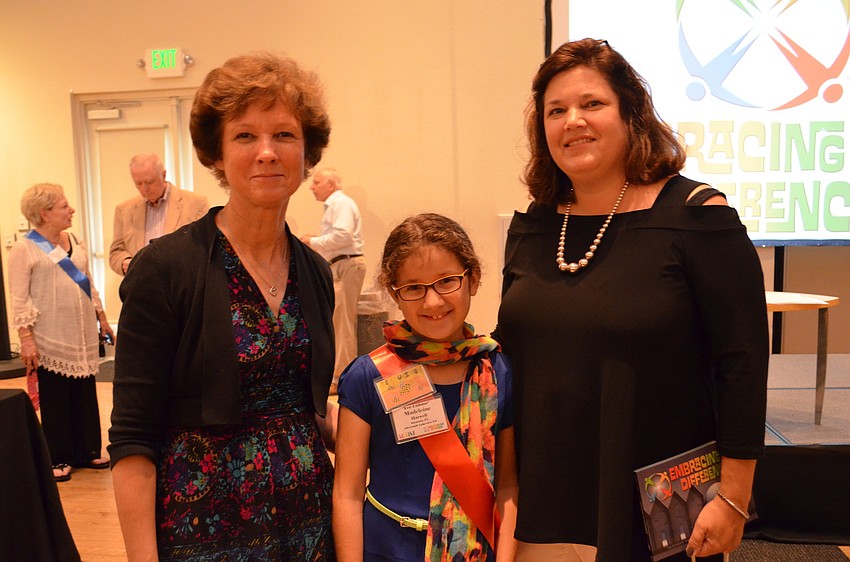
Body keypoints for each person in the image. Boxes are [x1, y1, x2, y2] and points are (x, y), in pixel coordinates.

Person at [495, 39, 769, 562]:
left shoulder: (697, 217)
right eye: (556, 110)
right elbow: (513, 355)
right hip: (542, 503)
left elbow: (743, 365)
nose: (572, 120)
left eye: (591, 104)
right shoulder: (532, 226)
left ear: (630, 114)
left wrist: (733, 497)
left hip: (660, 510)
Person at [108, 52, 337, 561]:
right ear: (215, 153)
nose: (267, 152)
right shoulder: (166, 269)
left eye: (284, 134)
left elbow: (305, 408)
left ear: (307, 151)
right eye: (245, 136)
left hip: (310, 529)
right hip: (205, 534)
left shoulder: (315, 272)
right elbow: (132, 440)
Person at [333, 213, 518, 562]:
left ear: (473, 279)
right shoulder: (367, 376)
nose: (433, 302)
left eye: (447, 281)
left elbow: (508, 487)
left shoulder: (498, 372)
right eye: (414, 288)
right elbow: (347, 492)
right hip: (385, 550)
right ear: (394, 293)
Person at [9, 183, 115, 482]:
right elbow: (19, 299)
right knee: (56, 397)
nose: (71, 210)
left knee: (84, 392)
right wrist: (26, 339)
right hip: (49, 336)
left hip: (80, 332)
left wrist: (102, 318)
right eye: (64, 206)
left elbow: (87, 281)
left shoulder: (73, 240)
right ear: (45, 213)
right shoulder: (24, 248)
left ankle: (88, 449)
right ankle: (59, 457)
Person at [300, 168, 366, 390]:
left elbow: (343, 235)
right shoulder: (336, 205)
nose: (311, 186)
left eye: (317, 182)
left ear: (331, 184)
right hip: (341, 265)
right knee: (340, 323)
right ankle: (340, 376)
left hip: (346, 265)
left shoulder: (340, 204)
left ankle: (342, 379)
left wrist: (313, 241)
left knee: (343, 324)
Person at [108, 152, 208, 276]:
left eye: (149, 182)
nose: (145, 189)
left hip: (181, 285)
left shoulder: (196, 204)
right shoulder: (123, 210)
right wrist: (125, 262)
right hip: (141, 286)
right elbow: (116, 252)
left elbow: (204, 248)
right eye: (138, 183)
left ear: (164, 175)